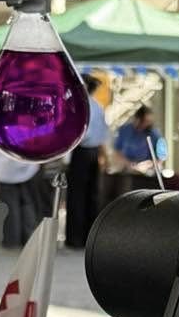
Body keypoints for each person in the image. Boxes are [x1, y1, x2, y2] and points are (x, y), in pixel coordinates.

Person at [65, 75, 109, 248]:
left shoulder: (80, 106)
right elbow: (104, 132)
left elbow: (81, 134)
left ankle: (75, 238)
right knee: (92, 195)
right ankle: (88, 237)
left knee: (76, 195)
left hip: (81, 151)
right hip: (94, 152)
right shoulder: (98, 106)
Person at [0, 144, 42, 248]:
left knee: (11, 208)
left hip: (6, 171)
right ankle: (28, 239)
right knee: (27, 205)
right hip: (25, 169)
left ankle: (12, 241)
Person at [112, 105, 168, 173]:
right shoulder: (124, 130)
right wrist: (129, 164)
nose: (146, 125)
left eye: (149, 122)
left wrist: (151, 164)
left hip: (149, 170)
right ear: (137, 119)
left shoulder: (154, 133)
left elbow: (162, 155)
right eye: (144, 121)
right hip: (128, 168)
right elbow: (117, 151)